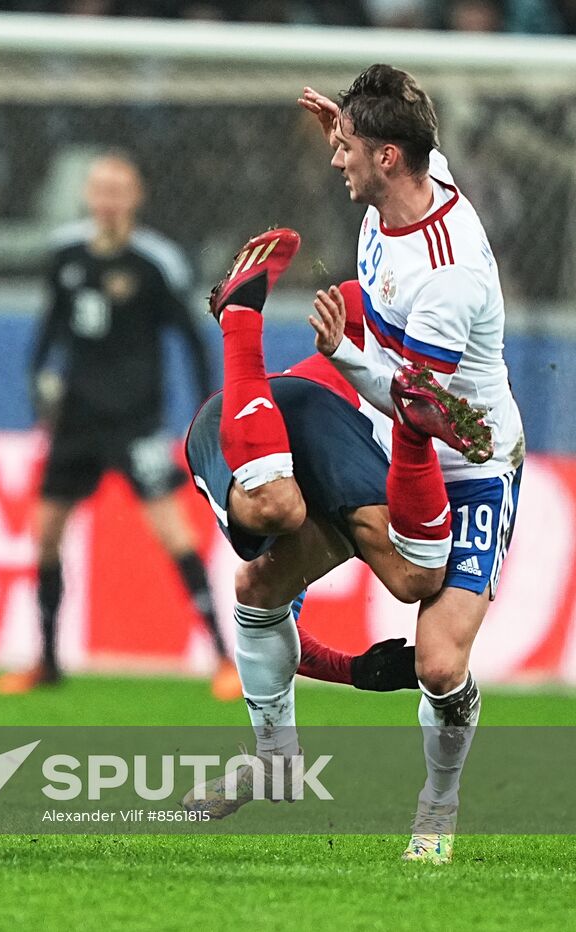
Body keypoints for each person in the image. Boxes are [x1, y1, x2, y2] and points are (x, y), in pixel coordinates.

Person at [181, 224, 493, 823]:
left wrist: (353, 671)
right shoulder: (371, 304)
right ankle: (239, 322)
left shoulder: (431, 404)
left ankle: (275, 765)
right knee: (277, 509)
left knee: (411, 578)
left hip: (331, 436)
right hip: (252, 415)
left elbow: (275, 630)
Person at [298, 65, 523, 864]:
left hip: (470, 462)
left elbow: (418, 407)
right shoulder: (409, 176)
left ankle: (440, 799)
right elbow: (412, 116)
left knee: (437, 663)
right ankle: (300, 671)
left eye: (349, 149)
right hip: (391, 446)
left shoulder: (448, 277)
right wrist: (345, 119)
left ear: (389, 159)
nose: (337, 161)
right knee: (274, 552)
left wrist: (343, 352)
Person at [0, 153, 240, 699]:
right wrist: (40, 382)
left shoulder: (156, 263)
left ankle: (225, 658)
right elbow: (50, 327)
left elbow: (192, 338)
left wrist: (206, 409)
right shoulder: (65, 255)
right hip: (76, 419)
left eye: (118, 190)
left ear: (136, 197)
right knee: (47, 534)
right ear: (89, 196)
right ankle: (48, 661)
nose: (107, 200)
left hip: (134, 422)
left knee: (172, 532)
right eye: (99, 189)